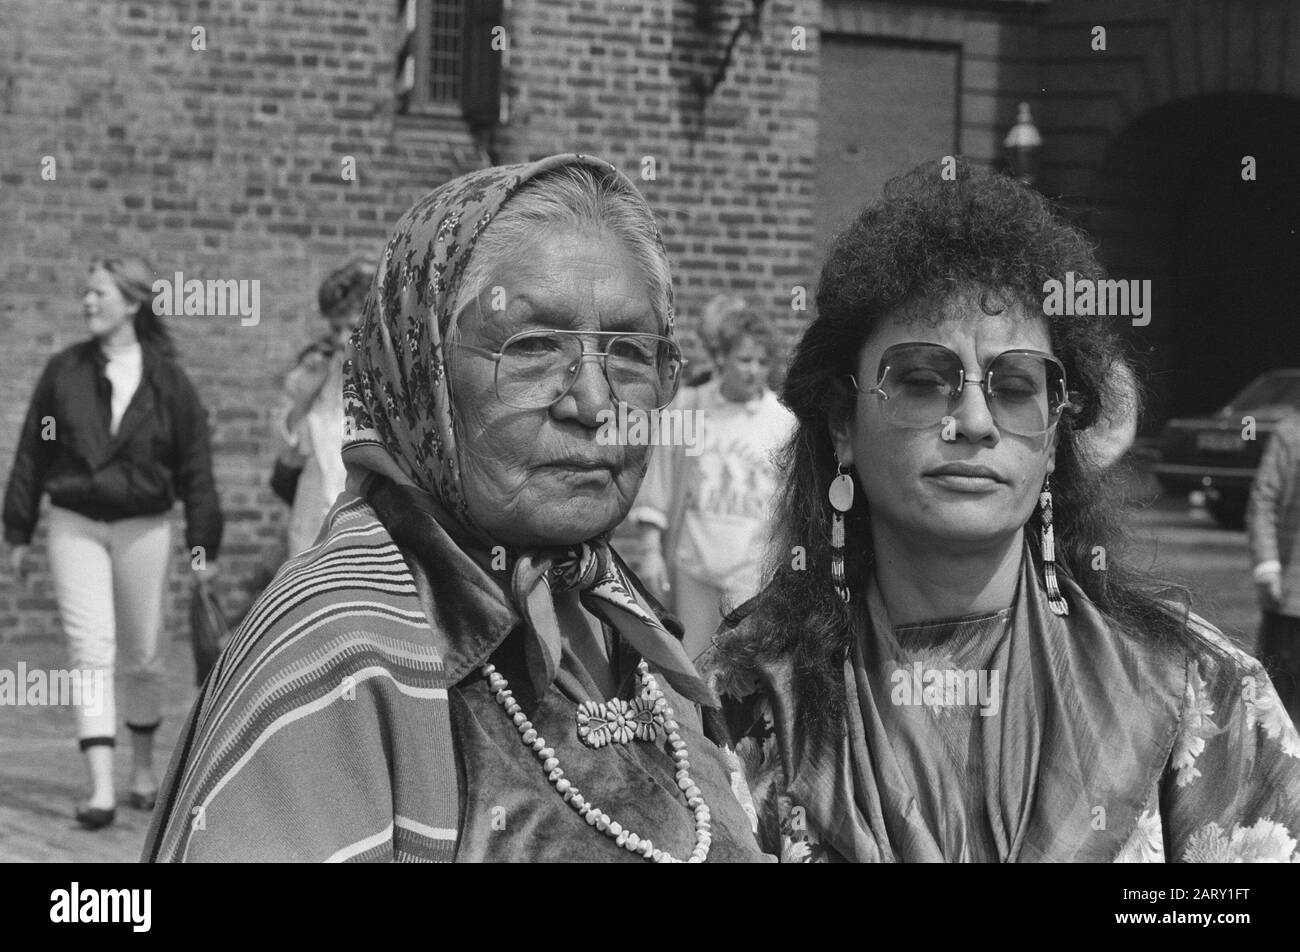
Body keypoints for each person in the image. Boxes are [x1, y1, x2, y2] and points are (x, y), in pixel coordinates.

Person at [142, 154, 768, 863]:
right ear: (424, 374)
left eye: (629, 352)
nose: (596, 404)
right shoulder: (342, 651)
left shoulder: (618, 608)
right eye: (532, 348)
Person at [701, 159, 1300, 863]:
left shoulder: (1203, 692)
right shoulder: (743, 699)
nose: (975, 421)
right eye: (923, 380)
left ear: (1051, 439)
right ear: (841, 422)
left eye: (1017, 386)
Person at [3, 255, 223, 830]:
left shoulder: (170, 383)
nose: (87, 302)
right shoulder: (62, 372)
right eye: (85, 292)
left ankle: (144, 770)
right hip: (74, 520)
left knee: (144, 655)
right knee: (89, 648)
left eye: (98, 292)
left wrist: (204, 546)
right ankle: (100, 787)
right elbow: (34, 450)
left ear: (132, 303)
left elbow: (196, 467)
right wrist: (17, 529)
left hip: (144, 527)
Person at [633, 310, 795, 659]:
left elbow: (792, 509)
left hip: (753, 577)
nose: (754, 370)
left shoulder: (783, 424)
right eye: (745, 359)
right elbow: (659, 477)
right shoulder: (691, 409)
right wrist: (649, 549)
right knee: (690, 665)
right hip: (694, 568)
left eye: (763, 361)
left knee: (743, 673)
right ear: (722, 357)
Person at [274, 257, 375, 556]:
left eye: (350, 326)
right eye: (335, 327)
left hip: (370, 536)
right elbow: (287, 456)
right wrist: (307, 393)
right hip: (312, 532)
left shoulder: (391, 382)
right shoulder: (313, 371)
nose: (342, 337)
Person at [1247, 412, 1300, 726]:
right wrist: (1268, 567)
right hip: (1291, 601)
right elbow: (1263, 500)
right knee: (1276, 708)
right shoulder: (1291, 433)